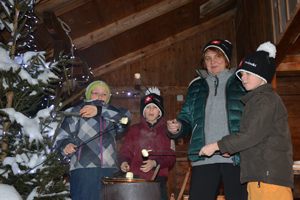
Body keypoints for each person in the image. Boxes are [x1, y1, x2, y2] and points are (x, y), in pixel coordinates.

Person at [199, 42, 294, 200]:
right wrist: (234, 149)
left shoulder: (266, 100)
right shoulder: (255, 101)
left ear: (262, 75)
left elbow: (249, 135)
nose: (243, 78)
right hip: (258, 176)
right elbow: (256, 138)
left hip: (268, 178)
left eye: (248, 73)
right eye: (241, 74)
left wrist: (216, 145)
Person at [167, 39, 248, 200]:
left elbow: (251, 120)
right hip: (204, 158)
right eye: (208, 58)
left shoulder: (241, 83)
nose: (212, 62)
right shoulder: (196, 86)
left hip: (235, 158)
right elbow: (186, 118)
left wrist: (240, 147)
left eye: (217, 56)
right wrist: (178, 127)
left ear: (226, 59)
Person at [56, 80, 131, 200]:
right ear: (88, 94)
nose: (100, 96)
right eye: (95, 92)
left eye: (104, 94)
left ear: (108, 98)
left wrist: (99, 111)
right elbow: (62, 136)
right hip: (83, 168)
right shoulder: (75, 111)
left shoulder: (113, 112)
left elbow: (125, 118)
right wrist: (66, 145)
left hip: (107, 168)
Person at [118, 87, 176, 200]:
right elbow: (126, 150)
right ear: (143, 111)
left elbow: (171, 156)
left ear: (160, 111)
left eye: (155, 107)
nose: (151, 110)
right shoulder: (134, 130)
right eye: (148, 107)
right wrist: (124, 161)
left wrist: (155, 163)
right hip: (136, 179)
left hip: (158, 180)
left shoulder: (167, 132)